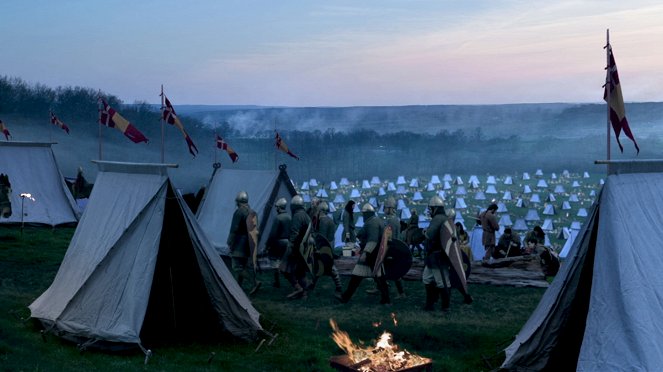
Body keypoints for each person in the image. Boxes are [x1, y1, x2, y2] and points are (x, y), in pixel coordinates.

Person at [336, 203, 390, 305]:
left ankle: (386, 300)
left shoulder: (372, 223)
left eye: (364, 214)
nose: (363, 216)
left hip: (372, 254)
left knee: (377, 277)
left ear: (367, 214)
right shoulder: (376, 220)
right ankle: (345, 297)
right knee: (361, 275)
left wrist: (365, 253)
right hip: (376, 253)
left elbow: (372, 240)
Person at [422, 196, 454, 311]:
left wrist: (424, 232)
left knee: (442, 282)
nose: (430, 210)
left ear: (435, 208)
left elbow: (429, 235)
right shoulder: (444, 218)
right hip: (433, 256)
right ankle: (430, 303)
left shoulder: (438, 219)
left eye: (431, 208)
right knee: (427, 278)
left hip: (438, 256)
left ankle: (445, 306)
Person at [227, 191, 261, 295]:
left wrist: (229, 242)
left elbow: (234, 229)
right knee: (242, 266)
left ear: (238, 201)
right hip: (248, 244)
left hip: (239, 243)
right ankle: (238, 287)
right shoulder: (252, 212)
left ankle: (254, 282)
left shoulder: (239, 212)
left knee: (237, 267)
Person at [308, 201, 343, 294]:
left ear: (320, 211)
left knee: (330, 267)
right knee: (318, 266)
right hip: (328, 246)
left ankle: (339, 286)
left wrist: (315, 241)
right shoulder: (329, 220)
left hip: (324, 248)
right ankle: (312, 284)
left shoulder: (323, 221)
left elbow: (322, 237)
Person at [282, 194, 312, 299]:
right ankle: (304, 294)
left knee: (284, 268)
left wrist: (290, 248)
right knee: (300, 271)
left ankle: (298, 288)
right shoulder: (306, 216)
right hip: (305, 248)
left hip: (296, 248)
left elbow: (294, 234)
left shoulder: (297, 216)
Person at [381, 197, 406, 299]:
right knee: (384, 270)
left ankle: (401, 293)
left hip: (391, 248)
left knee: (394, 272)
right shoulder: (395, 219)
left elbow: (390, 236)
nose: (384, 210)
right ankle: (380, 287)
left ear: (390, 208)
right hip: (394, 247)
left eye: (386, 208)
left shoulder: (391, 220)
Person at [266, 197, 291, 288]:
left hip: (279, 243)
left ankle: (277, 282)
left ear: (279, 207)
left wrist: (267, 245)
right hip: (288, 242)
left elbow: (273, 234)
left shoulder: (278, 218)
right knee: (284, 261)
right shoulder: (289, 217)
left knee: (275, 262)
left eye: (277, 207)